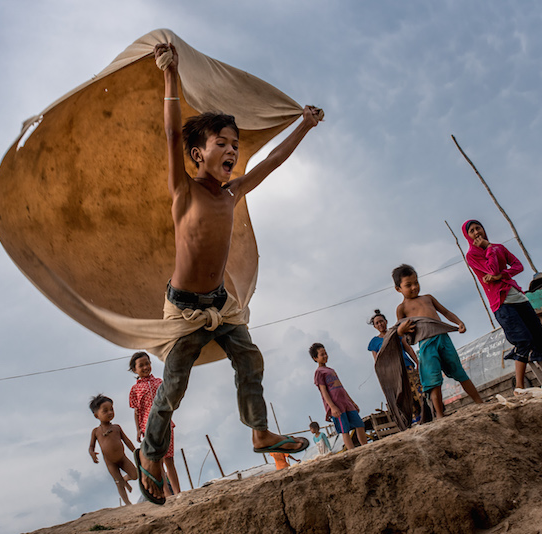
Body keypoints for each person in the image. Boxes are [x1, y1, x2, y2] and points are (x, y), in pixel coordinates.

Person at [135, 42, 321, 505]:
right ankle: (151, 455)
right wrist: (169, 74)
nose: (232, 152)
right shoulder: (184, 191)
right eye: (222, 143)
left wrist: (304, 124)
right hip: (183, 311)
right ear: (197, 153)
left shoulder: (231, 193)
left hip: (222, 304)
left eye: (235, 146)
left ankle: (259, 433)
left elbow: (272, 162)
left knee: (250, 360)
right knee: (173, 384)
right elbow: (170, 133)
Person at [462, 220, 542, 389]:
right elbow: (491, 270)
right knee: (523, 341)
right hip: (501, 302)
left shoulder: (499, 247)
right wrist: (488, 249)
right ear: (468, 236)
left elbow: (518, 266)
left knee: (539, 339)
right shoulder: (472, 255)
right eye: (472, 231)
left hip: (518, 297)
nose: (477, 232)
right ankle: (519, 388)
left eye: (479, 228)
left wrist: (503, 274)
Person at [393, 264, 483, 418]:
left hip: (443, 339)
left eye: (416, 283)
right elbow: (399, 331)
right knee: (433, 380)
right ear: (398, 289)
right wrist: (402, 330)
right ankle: (440, 415)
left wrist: (459, 322)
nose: (414, 287)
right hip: (426, 345)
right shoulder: (402, 308)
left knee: (459, 372)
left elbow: (445, 312)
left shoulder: (428, 298)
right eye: (408, 285)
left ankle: (480, 402)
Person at [127, 351, 181, 496]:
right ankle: (166, 494)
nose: (145, 367)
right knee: (157, 462)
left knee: (169, 459)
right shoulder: (135, 390)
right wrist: (138, 430)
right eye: (141, 365)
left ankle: (177, 492)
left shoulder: (160, 382)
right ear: (134, 370)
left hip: (166, 424)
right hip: (149, 428)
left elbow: (169, 400)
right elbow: (137, 411)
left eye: (147, 363)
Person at [309, 343, 368, 450]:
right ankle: (352, 451)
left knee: (359, 424)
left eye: (326, 353)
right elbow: (323, 391)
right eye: (322, 355)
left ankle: (365, 446)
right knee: (344, 429)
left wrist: (352, 402)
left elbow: (342, 388)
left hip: (346, 402)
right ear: (315, 358)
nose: (325, 356)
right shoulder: (319, 372)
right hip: (336, 405)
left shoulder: (331, 370)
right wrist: (332, 407)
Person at [368, 309, 423, 422]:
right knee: (404, 394)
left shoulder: (396, 333)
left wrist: (417, 362)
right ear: (374, 327)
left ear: (386, 321)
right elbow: (377, 361)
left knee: (419, 390)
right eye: (377, 323)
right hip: (393, 373)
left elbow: (407, 348)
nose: (380, 324)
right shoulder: (374, 342)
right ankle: (415, 418)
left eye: (381, 321)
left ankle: (427, 412)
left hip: (407, 366)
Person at [88, 395, 138, 506]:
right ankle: (127, 503)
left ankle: (126, 479)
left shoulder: (117, 428)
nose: (110, 412)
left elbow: (127, 441)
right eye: (105, 411)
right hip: (110, 462)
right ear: (96, 415)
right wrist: (92, 453)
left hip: (122, 458)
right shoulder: (96, 432)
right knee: (118, 482)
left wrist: (135, 452)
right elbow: (91, 446)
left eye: (111, 409)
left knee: (135, 475)